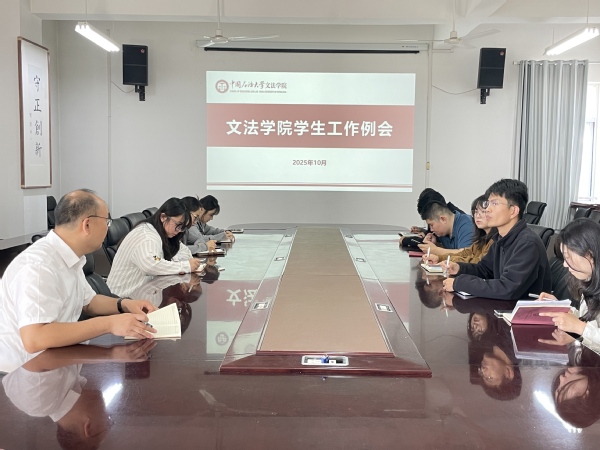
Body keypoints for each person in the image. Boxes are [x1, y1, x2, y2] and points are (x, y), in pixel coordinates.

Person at [0, 189, 158, 373]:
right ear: (87, 224)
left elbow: (89, 302)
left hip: (60, 360)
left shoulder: (72, 256)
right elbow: (35, 338)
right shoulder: (39, 266)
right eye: (106, 222)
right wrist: (110, 324)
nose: (108, 228)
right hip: (25, 373)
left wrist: (124, 304)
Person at [3, 341, 155, 449]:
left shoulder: (39, 405)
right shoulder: (71, 386)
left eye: (108, 422)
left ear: (88, 428)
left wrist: (111, 354)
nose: (108, 415)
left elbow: (35, 358)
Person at [442, 179, 551, 300]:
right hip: (503, 306)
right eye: (488, 203)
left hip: (523, 310)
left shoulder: (527, 243)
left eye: (495, 203)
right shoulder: (501, 238)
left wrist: (460, 283)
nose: (487, 209)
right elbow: (485, 270)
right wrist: (459, 268)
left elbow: (507, 288)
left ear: (513, 211)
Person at [107, 197, 204, 298]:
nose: (179, 231)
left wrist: (184, 264)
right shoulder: (147, 236)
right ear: (163, 217)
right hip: (120, 300)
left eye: (182, 228)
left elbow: (183, 251)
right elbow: (151, 264)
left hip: (141, 295)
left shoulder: (161, 233)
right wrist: (185, 266)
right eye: (178, 225)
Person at [537, 218, 600, 354]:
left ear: (590, 254)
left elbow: (585, 327)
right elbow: (591, 322)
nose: (565, 264)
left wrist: (580, 328)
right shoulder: (589, 280)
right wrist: (563, 309)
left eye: (568, 257)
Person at [423, 195, 497, 265]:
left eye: (483, 211)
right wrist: (439, 258)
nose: (477, 215)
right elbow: (464, 254)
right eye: (476, 211)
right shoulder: (482, 240)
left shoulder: (495, 241)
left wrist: (439, 254)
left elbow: (477, 263)